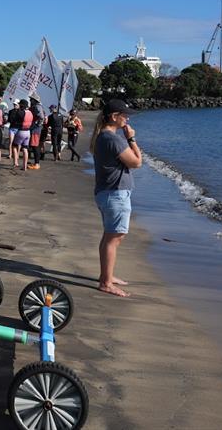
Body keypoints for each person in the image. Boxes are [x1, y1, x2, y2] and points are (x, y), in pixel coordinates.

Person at [89, 99, 142, 297]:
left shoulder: (103, 137)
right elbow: (136, 162)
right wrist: (131, 139)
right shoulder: (112, 139)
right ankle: (105, 282)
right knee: (114, 237)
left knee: (111, 236)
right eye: (124, 115)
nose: (127, 118)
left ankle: (107, 276)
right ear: (114, 117)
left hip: (107, 192)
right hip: (114, 193)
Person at [9, 99, 33, 171]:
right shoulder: (30, 113)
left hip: (21, 131)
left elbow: (14, 121)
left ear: (21, 105)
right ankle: (25, 166)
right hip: (28, 132)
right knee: (25, 149)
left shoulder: (20, 113)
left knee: (14, 146)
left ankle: (15, 162)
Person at [28, 93, 45, 169]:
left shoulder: (37, 107)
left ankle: (37, 164)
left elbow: (41, 117)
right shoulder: (35, 106)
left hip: (36, 129)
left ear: (34, 100)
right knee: (35, 145)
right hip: (35, 128)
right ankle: (36, 163)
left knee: (35, 146)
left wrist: (37, 125)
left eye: (31, 99)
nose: (30, 100)